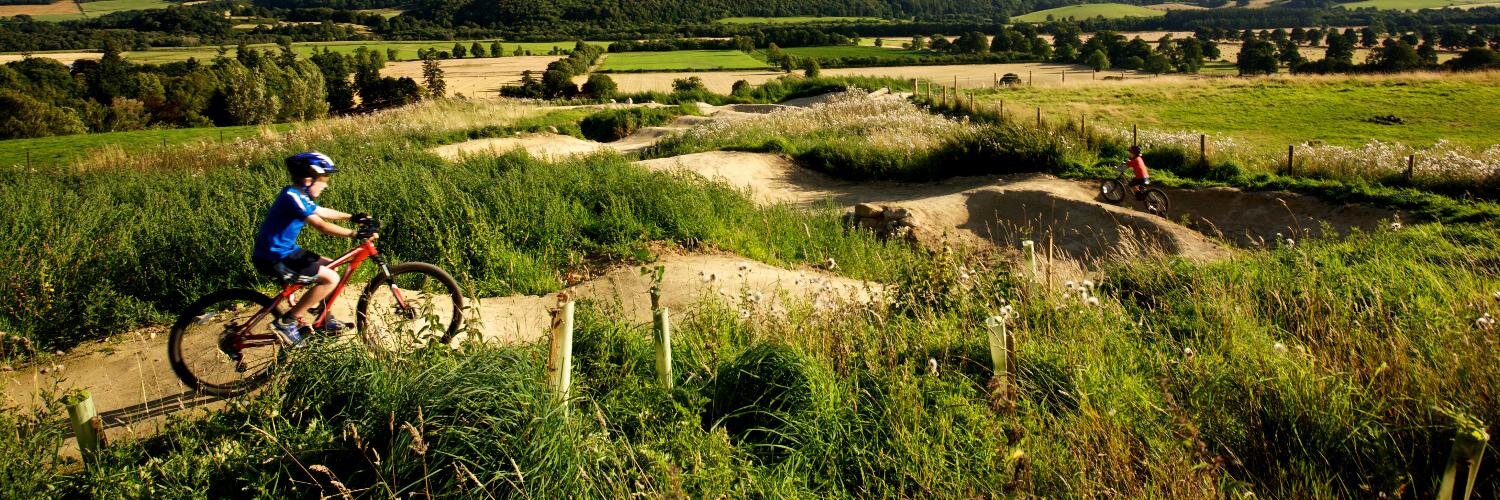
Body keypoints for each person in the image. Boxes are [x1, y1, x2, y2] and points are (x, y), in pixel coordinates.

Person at [251, 152, 372, 346]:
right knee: (331, 278)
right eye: (323, 179)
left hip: (286, 251)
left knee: (332, 266)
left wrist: (352, 217)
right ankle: (286, 322)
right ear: (309, 178)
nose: (326, 184)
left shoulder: (299, 195)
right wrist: (355, 234)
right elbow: (321, 225)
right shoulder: (292, 196)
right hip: (274, 257)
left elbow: (322, 211)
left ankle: (323, 318)